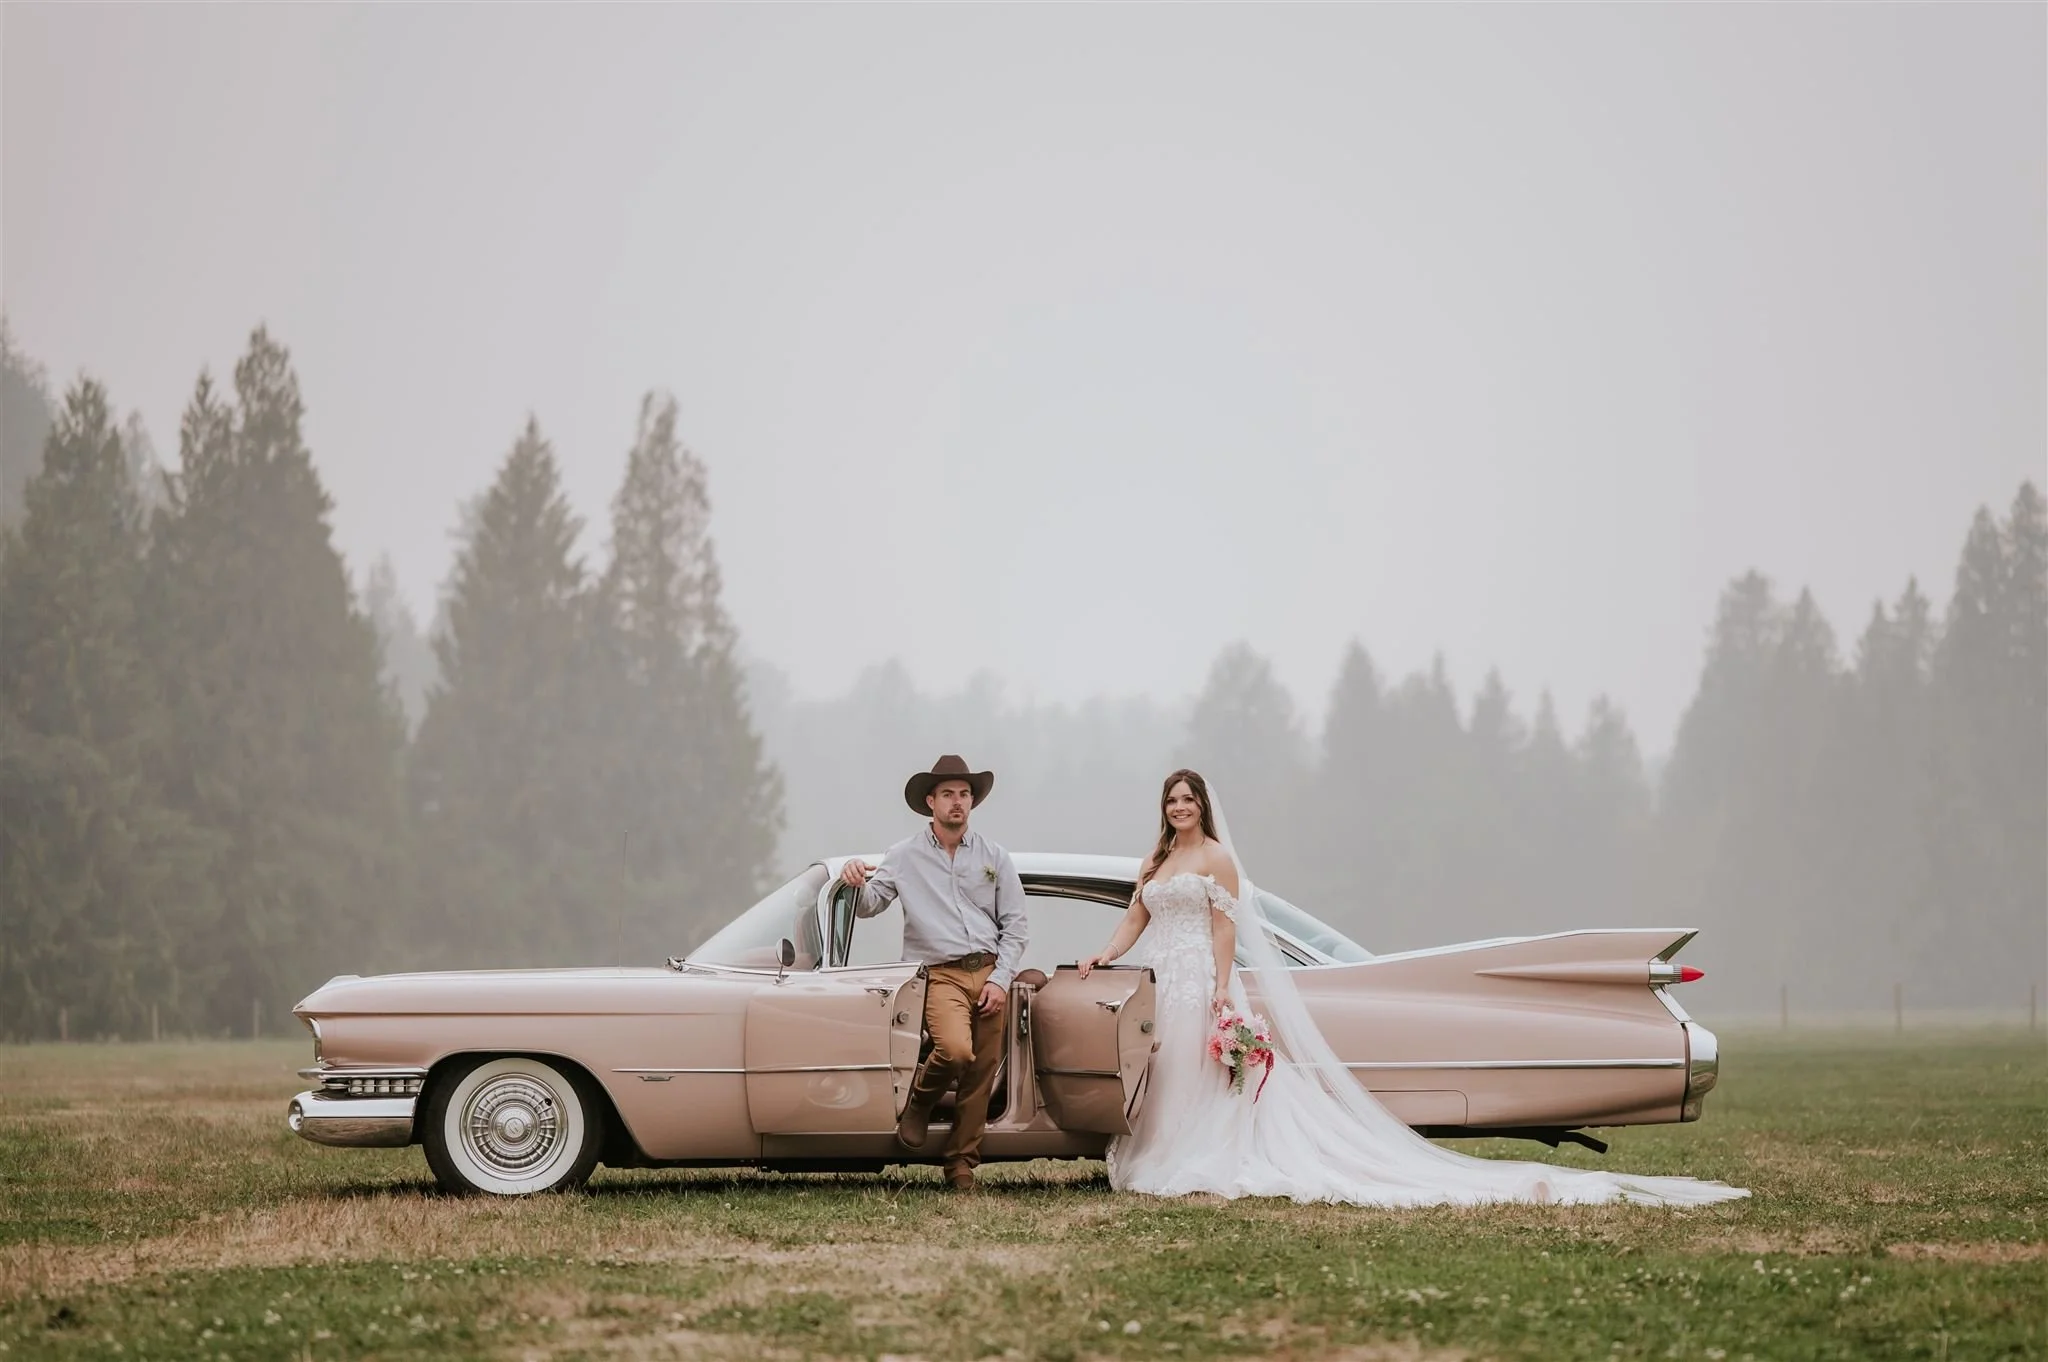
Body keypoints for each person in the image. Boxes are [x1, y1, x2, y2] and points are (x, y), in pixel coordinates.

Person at [1078, 768, 1750, 1207]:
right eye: (1172, 800)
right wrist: (1101, 955)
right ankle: (1162, 1152)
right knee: (1165, 1068)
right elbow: (1135, 916)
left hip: (1201, 975)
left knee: (1202, 1070)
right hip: (1163, 979)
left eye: (1189, 799)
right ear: (1164, 809)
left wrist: (1225, 991)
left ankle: (1197, 1157)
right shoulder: (1156, 861)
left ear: (1203, 808)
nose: (1181, 808)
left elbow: (1225, 930)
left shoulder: (1216, 859)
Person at [837, 754, 1029, 1192]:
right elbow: (869, 906)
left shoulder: (995, 856)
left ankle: (960, 1164)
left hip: (990, 970)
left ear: (972, 802)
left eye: (964, 794)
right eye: (948, 795)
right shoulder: (902, 856)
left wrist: (1001, 980)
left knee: (981, 1072)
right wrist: (854, 879)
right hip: (940, 974)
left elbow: (1016, 925)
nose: (957, 802)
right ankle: (920, 1101)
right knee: (956, 1052)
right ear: (931, 802)